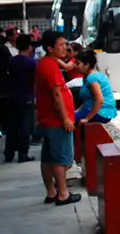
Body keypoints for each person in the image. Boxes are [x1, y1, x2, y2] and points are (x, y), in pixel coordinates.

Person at [35, 30, 81, 206]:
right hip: (56, 120)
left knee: (48, 158)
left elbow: (68, 67)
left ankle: (51, 191)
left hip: (49, 119)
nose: (65, 48)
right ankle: (63, 193)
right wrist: (66, 119)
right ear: (49, 48)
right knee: (62, 159)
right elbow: (56, 95)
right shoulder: (49, 65)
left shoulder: (49, 62)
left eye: (65, 44)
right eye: (60, 45)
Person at [4, 33, 37, 163]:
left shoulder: (11, 61)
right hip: (26, 96)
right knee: (25, 127)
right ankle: (23, 154)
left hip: (12, 96)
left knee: (11, 126)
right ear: (29, 47)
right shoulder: (31, 63)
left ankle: (9, 153)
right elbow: (35, 81)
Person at [72, 50, 117, 124]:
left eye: (78, 63)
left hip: (101, 113)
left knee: (68, 120)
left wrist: (87, 118)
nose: (75, 66)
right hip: (92, 109)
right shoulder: (90, 76)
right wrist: (78, 110)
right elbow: (88, 100)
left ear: (87, 65)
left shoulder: (92, 78)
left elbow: (100, 100)